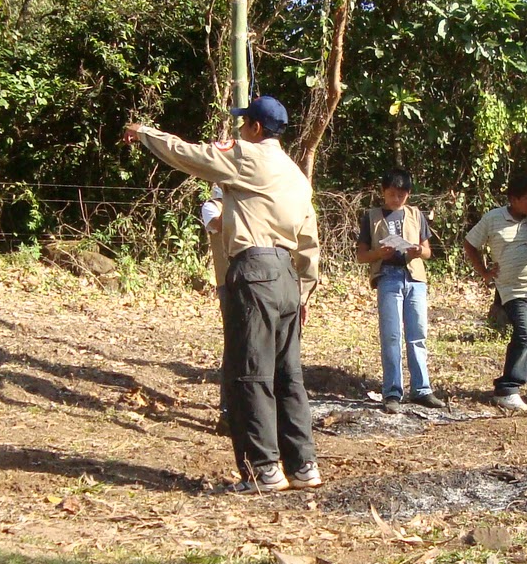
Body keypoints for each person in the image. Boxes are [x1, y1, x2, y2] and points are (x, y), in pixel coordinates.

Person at [123, 95, 321, 492]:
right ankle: (303, 466)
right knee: (288, 376)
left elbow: (189, 155)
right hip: (289, 277)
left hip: (255, 270)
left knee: (249, 372)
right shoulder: (296, 175)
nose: (239, 128)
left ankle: (263, 469)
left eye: (243, 122)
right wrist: (304, 292)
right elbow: (309, 240)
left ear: (256, 129)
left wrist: (145, 134)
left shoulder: (246, 156)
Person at [356, 168, 444, 413]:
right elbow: (361, 255)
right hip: (388, 278)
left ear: (408, 194)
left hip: (414, 278)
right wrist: (378, 254)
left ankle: (422, 389)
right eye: (392, 194)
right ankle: (392, 391)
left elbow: (427, 251)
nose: (397, 199)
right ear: (384, 192)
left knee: (417, 334)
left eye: (402, 195)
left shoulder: (416, 215)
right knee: (391, 335)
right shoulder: (372, 216)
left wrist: (418, 251)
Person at [465, 171, 527, 412]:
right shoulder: (494, 219)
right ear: (513, 199)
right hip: (512, 291)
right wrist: (483, 271)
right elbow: (470, 243)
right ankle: (508, 388)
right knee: (525, 333)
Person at [199, 183, 230, 434]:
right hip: (228, 285)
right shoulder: (212, 207)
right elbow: (219, 226)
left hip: (256, 284)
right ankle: (227, 411)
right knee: (233, 346)